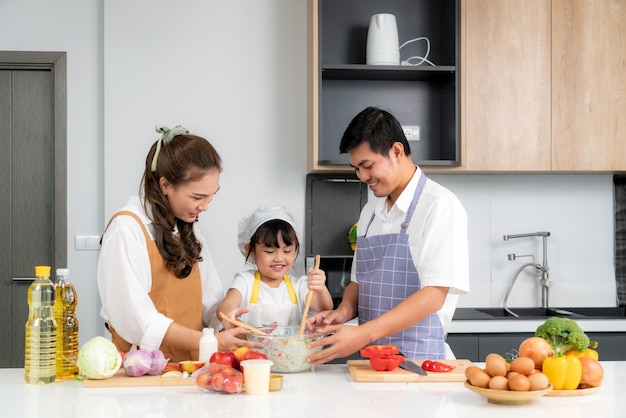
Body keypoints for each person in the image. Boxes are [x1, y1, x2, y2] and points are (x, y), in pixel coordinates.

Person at [306, 107, 470, 364]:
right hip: (372, 363)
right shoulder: (371, 209)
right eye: (356, 169)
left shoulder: (439, 205)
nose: (362, 177)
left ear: (396, 151)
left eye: (367, 166)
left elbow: (434, 295)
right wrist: (342, 312)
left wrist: (363, 333)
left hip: (420, 363)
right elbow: (360, 283)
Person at [97, 125, 256, 362]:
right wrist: (209, 342)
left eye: (212, 196)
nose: (205, 207)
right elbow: (137, 320)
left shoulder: (189, 229)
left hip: (191, 369)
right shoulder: (126, 229)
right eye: (197, 197)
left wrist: (225, 317)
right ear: (165, 185)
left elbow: (209, 304)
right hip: (142, 371)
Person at [217, 206, 333, 328]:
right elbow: (226, 305)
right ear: (251, 251)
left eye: (287, 251)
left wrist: (321, 289)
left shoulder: (299, 285)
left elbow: (324, 308)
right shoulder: (245, 281)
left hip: (290, 347)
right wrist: (230, 315)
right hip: (251, 346)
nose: (279, 258)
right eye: (270, 252)